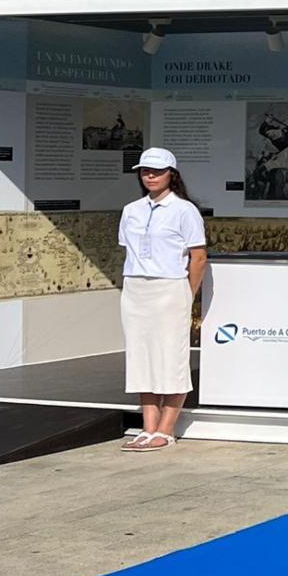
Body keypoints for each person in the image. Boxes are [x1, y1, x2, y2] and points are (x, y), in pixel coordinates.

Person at [116, 147, 206, 452]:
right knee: (141, 357)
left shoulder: (184, 210)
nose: (150, 176)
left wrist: (187, 293)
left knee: (171, 357)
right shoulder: (131, 209)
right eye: (145, 171)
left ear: (172, 174)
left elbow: (198, 257)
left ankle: (166, 428)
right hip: (136, 289)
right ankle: (147, 426)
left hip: (170, 287)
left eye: (157, 171)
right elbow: (128, 249)